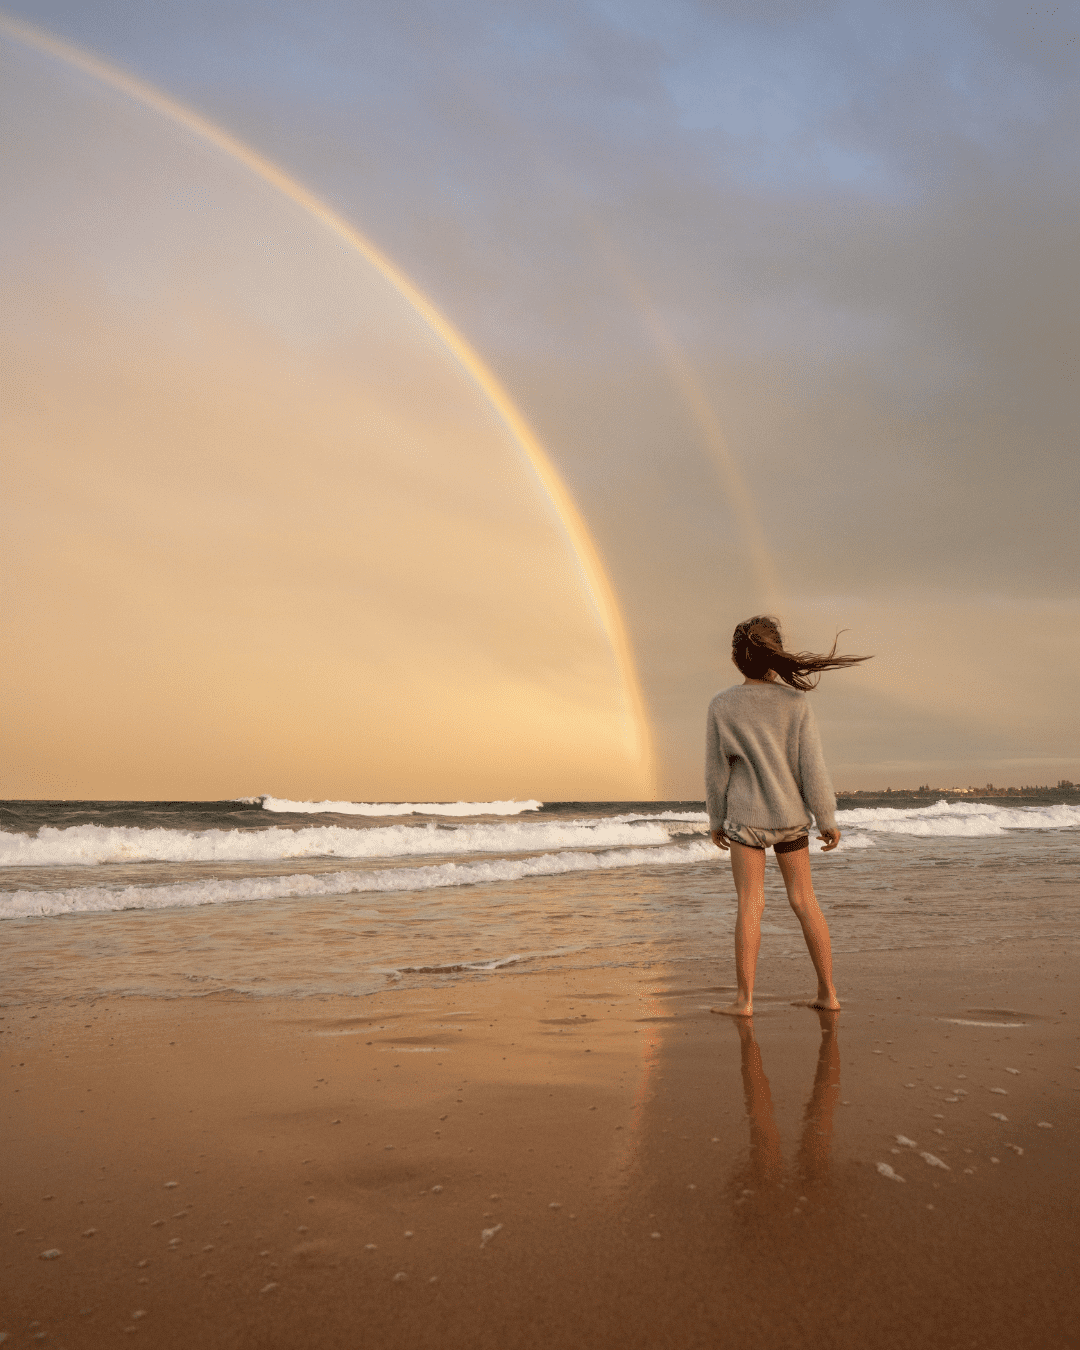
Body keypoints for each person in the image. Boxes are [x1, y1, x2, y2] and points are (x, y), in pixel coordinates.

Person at [705, 615, 870, 1016]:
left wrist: (716, 820)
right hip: (792, 819)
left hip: (745, 821)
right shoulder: (796, 704)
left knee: (750, 905)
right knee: (805, 901)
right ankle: (828, 994)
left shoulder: (722, 705)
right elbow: (811, 767)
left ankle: (744, 1001)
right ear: (775, 656)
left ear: (735, 659)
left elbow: (716, 772)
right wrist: (826, 818)